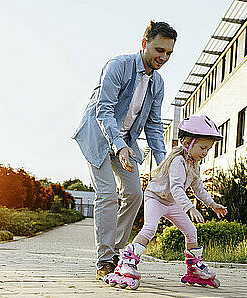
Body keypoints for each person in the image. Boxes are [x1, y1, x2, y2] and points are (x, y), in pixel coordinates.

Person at [72, 21, 177, 280]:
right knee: (107, 194)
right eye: (159, 50)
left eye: (168, 53)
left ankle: (118, 253)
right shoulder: (118, 66)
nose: (163, 57)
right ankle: (104, 259)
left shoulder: (158, 83)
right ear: (144, 44)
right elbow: (103, 110)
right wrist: (118, 146)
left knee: (134, 194)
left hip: (126, 143)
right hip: (97, 136)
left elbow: (153, 126)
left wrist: (165, 164)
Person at [104, 115, 228, 290]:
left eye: (208, 149)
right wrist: (190, 207)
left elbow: (198, 188)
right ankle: (127, 261)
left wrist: (212, 204)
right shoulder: (178, 161)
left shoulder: (194, 164)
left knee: (191, 231)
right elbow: (177, 188)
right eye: (202, 147)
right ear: (187, 143)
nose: (205, 152)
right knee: (150, 228)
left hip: (171, 203)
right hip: (155, 198)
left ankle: (193, 268)